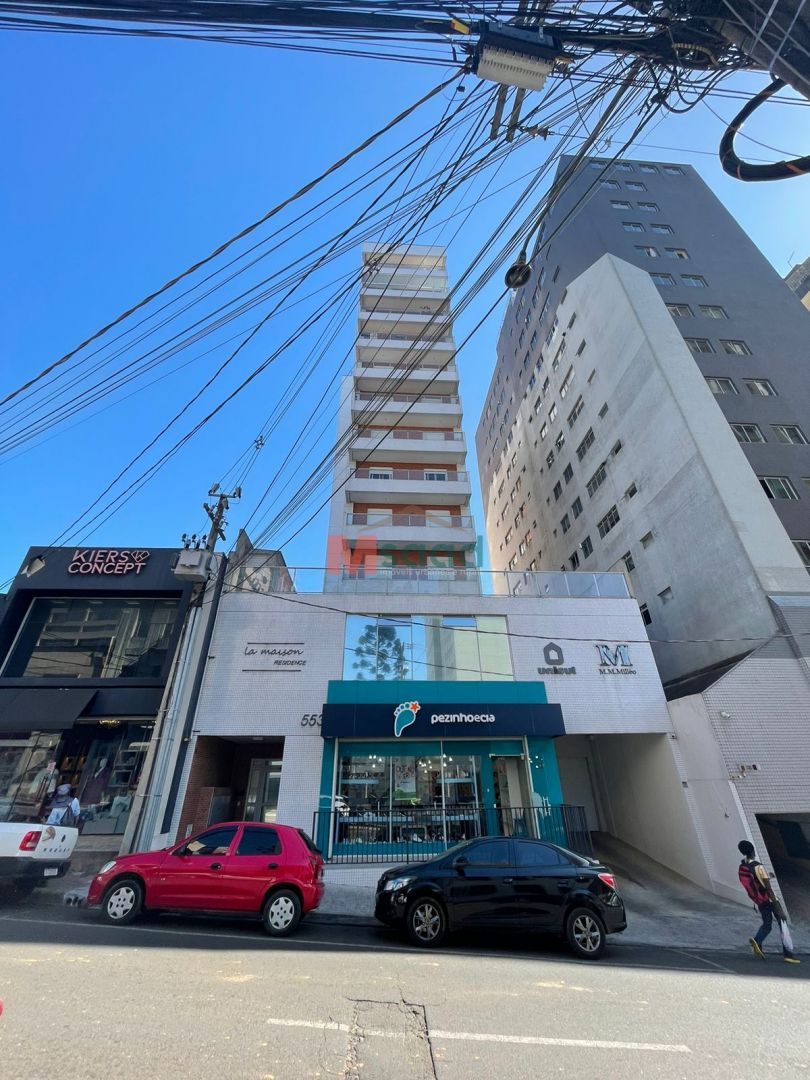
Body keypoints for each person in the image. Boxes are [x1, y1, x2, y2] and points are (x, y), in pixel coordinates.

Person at [738, 840, 800, 964]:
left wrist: (769, 877)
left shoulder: (743, 867)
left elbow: (757, 882)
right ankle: (788, 954)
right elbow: (768, 888)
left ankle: (757, 941)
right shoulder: (758, 866)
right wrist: (778, 908)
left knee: (767, 924)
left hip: (760, 901)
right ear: (752, 851)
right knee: (783, 924)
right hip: (771, 900)